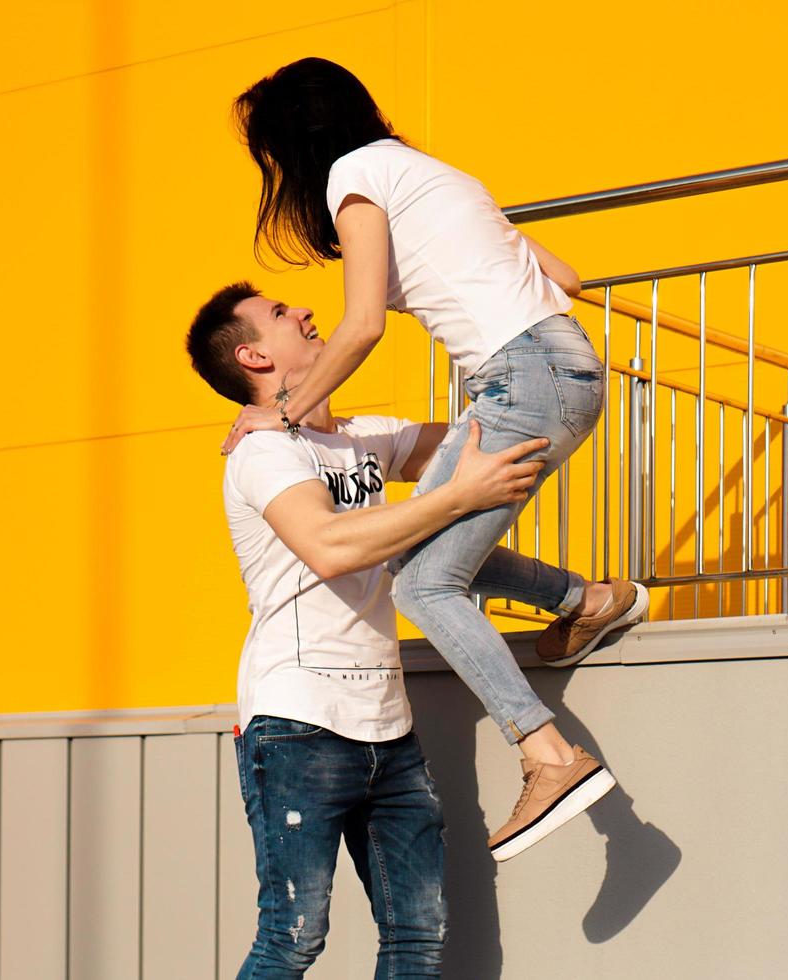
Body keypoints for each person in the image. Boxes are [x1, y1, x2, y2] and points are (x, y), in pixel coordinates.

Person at [222, 57, 648, 861]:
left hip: (519, 372)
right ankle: (588, 599)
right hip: (565, 366)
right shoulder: (435, 176)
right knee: (426, 549)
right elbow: (568, 276)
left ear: (298, 141)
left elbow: (362, 326)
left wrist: (276, 414)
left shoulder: (355, 175)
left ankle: (547, 755)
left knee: (421, 579)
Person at [194, 281, 619, 975]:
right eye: (279, 314)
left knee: (418, 938)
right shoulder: (264, 455)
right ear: (253, 357)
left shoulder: (365, 437)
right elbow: (330, 545)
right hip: (298, 723)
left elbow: (490, 441)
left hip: (388, 729)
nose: (304, 310)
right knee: (292, 938)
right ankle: (572, 595)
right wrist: (456, 494)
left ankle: (578, 596)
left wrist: (528, 358)